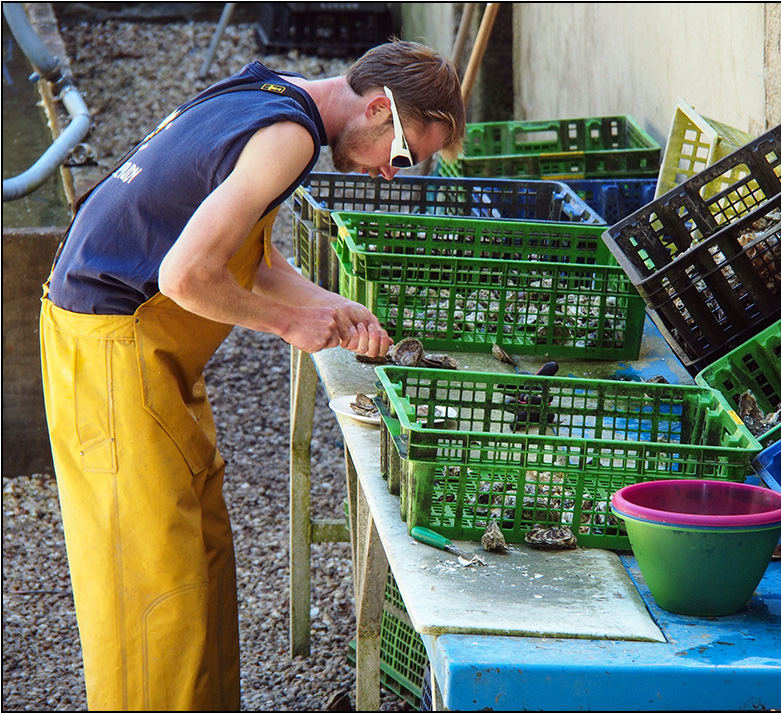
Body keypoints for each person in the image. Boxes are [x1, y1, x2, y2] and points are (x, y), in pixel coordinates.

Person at [39, 40, 466, 711]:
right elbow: (185, 276)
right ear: (379, 107)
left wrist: (327, 305)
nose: (391, 174)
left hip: (139, 347)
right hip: (112, 343)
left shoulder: (270, 92)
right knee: (155, 583)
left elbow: (244, 258)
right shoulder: (288, 139)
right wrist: (286, 325)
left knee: (200, 550)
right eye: (404, 152)